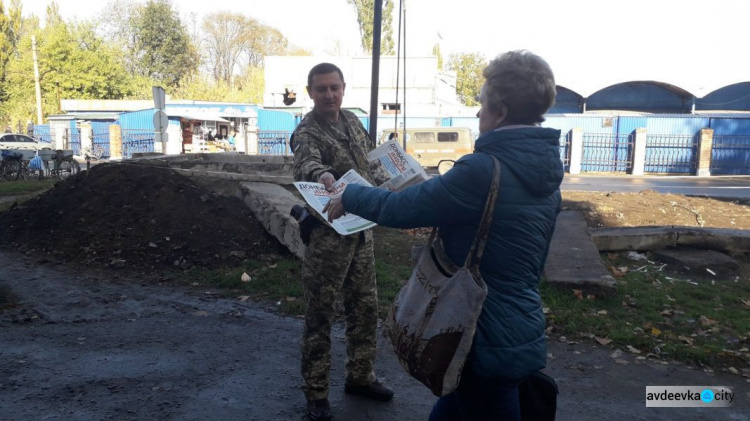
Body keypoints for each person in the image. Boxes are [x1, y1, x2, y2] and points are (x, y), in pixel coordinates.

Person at [324, 50, 563, 421]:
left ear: (499, 112)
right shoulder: (545, 174)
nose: (478, 114)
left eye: (482, 105)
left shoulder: (483, 169)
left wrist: (350, 195)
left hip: (477, 335)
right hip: (518, 325)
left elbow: (403, 210)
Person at [291, 62, 393, 421]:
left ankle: (360, 377)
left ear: (344, 88)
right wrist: (323, 174)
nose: (329, 95)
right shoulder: (307, 131)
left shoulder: (351, 120)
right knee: (321, 315)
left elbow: (368, 163)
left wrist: (395, 180)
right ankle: (316, 393)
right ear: (311, 93)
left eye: (334, 87)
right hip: (328, 238)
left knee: (365, 308)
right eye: (321, 89)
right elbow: (306, 166)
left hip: (361, 230)